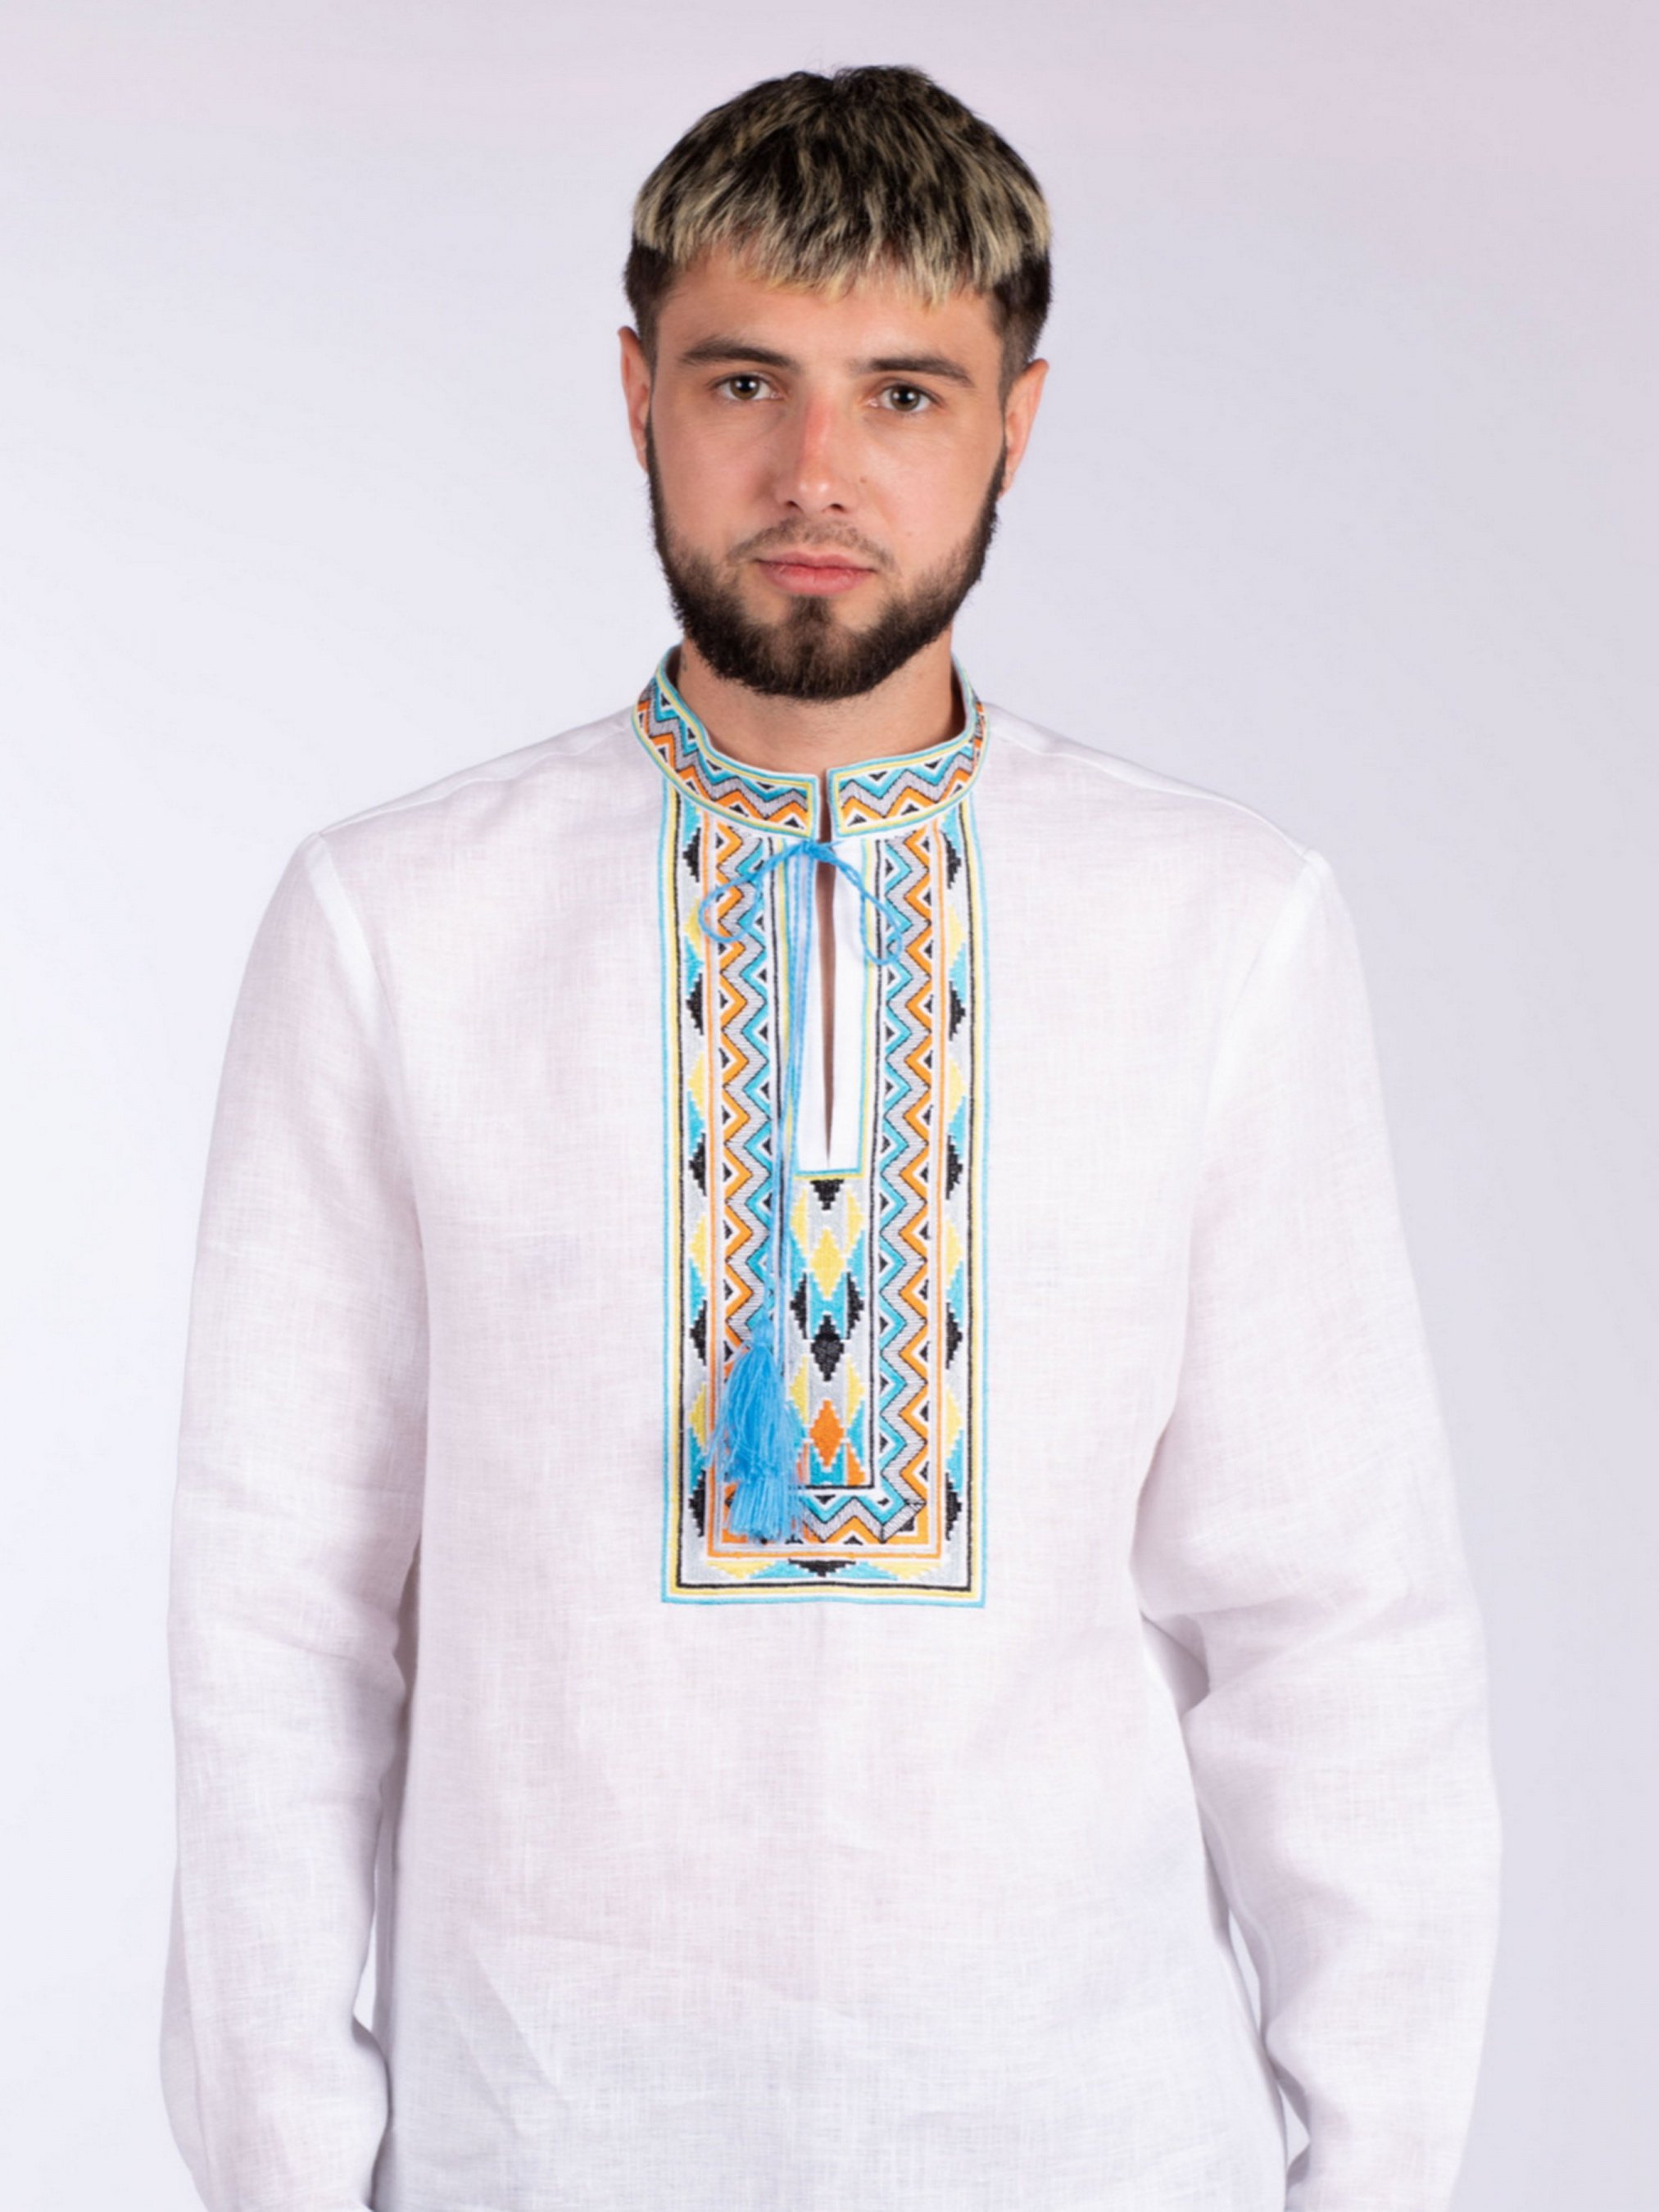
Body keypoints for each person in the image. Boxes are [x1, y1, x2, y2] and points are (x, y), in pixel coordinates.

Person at [161, 64, 1502, 2212]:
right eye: (743, 381)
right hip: (546, 2150)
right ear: (636, 396)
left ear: (1014, 423)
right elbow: (278, 1629)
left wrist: (1380, 2173)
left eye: (900, 393)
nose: (814, 471)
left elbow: (1337, 1625)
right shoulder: (394, 924)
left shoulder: (1218, 927)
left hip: (1087, 2150)